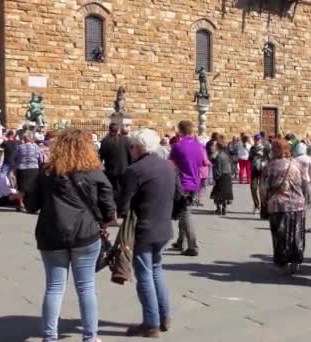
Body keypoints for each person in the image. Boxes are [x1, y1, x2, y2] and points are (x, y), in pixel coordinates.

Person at [23, 128, 116, 342]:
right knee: (86, 287)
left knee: (54, 287)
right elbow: (109, 207)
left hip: (51, 234)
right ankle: (90, 336)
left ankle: (49, 336)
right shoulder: (93, 171)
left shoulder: (47, 172)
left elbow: (30, 205)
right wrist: (102, 219)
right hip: (85, 233)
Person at [116, 129, 175, 337]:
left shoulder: (135, 170)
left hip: (144, 228)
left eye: (132, 146)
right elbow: (177, 196)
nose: (130, 150)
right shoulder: (168, 166)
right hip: (163, 227)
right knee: (157, 270)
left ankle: (151, 323)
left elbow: (123, 203)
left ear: (139, 147)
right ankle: (165, 315)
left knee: (145, 275)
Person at [264, 139, 310, 275]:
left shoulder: (271, 166)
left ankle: (282, 262)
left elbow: (265, 187)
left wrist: (265, 201)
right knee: (297, 234)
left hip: (279, 205)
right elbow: (305, 184)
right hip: (297, 205)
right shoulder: (297, 164)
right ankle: (296, 261)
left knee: (280, 235)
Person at [169, 120, 204, 256]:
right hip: (195, 182)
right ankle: (180, 240)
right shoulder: (199, 146)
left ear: (180, 130)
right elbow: (201, 163)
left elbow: (170, 164)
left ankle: (192, 245)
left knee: (185, 212)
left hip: (182, 182)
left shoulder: (178, 146)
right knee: (182, 211)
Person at [99, 123, 131, 203]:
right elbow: (130, 155)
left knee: (112, 191)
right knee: (124, 191)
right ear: (119, 130)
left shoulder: (105, 141)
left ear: (109, 130)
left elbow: (100, 156)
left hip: (111, 171)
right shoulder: (126, 140)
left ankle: (114, 208)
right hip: (125, 170)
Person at [15, 132, 43, 212]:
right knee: (33, 187)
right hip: (33, 168)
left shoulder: (19, 147)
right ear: (31, 139)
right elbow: (40, 158)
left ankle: (21, 204)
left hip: (22, 168)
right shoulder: (35, 147)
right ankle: (32, 204)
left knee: (21, 187)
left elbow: (16, 157)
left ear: (24, 139)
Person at [210, 136, 234, 215]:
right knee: (225, 194)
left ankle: (218, 209)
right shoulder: (227, 155)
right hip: (227, 175)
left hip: (221, 176)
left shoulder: (219, 156)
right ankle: (224, 208)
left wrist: (215, 178)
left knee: (217, 193)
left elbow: (218, 169)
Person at [249, 134, 267, 213]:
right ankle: (256, 205)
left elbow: (268, 158)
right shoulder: (252, 148)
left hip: (262, 170)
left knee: (262, 189)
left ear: (261, 140)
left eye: (258, 140)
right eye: (256, 140)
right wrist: (253, 155)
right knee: (253, 188)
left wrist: (263, 156)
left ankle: (263, 206)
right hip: (254, 169)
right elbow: (249, 158)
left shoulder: (265, 148)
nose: (257, 141)